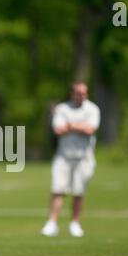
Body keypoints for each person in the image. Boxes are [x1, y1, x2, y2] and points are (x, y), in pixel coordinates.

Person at [41, 82, 100, 237]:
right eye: (79, 93)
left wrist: (70, 125)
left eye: (84, 93)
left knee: (78, 191)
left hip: (84, 157)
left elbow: (90, 129)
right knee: (57, 189)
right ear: (72, 94)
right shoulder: (62, 109)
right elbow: (58, 129)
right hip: (63, 156)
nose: (82, 96)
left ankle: (74, 223)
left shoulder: (92, 109)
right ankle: (52, 223)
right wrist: (79, 126)